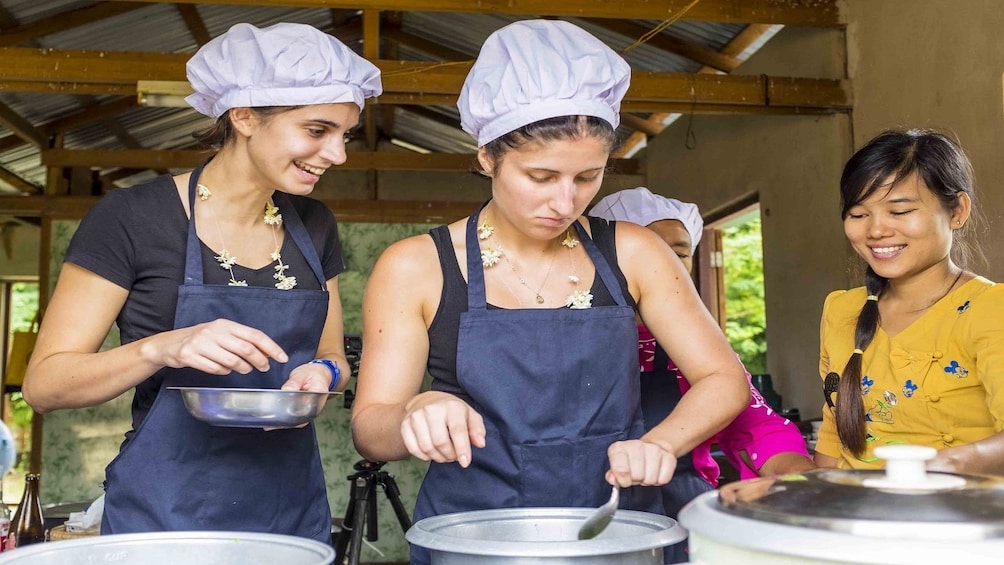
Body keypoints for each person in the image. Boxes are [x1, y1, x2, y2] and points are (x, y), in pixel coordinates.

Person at [350, 20, 748, 564]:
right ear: (487, 157)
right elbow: (371, 428)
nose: (566, 202)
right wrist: (415, 411)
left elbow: (722, 379)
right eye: (540, 177)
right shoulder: (418, 266)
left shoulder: (632, 252)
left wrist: (663, 442)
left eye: (588, 177)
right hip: (473, 536)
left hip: (620, 529)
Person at [21, 22, 382, 542]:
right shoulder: (132, 218)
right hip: (164, 514)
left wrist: (323, 375)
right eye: (317, 130)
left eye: (344, 135)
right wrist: (163, 348)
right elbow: (44, 386)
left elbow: (332, 357)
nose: (338, 154)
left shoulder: (314, 223)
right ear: (244, 116)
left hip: (288, 507)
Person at [590, 187, 814, 562]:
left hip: (684, 524)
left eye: (677, 253)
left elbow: (758, 427)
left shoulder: (701, 352)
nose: (662, 265)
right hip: (584, 517)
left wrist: (800, 481)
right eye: (644, 251)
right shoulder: (562, 340)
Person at [815, 128, 1004, 473]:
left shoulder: (991, 309)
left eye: (899, 211)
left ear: (958, 211)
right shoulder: (841, 310)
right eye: (858, 214)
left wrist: (936, 467)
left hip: (960, 516)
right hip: (858, 518)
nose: (875, 230)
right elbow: (833, 434)